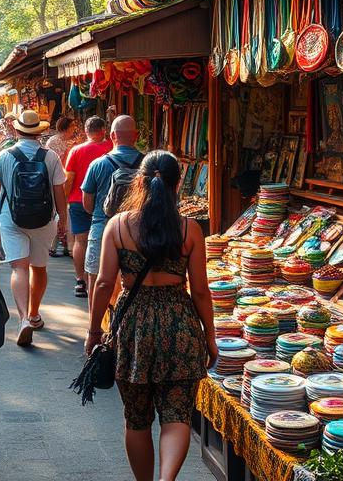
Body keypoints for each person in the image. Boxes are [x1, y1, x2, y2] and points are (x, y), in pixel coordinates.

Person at [86, 151, 216, 481]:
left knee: (136, 418)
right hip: (179, 327)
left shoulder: (118, 226)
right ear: (178, 185)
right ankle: (167, 478)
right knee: (176, 415)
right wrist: (211, 337)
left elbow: (103, 282)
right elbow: (200, 291)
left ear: (139, 182)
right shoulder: (190, 230)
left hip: (133, 329)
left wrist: (93, 331)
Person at [0, 109, 67, 346]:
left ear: (18, 130)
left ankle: (22, 319)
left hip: (11, 219)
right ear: (39, 132)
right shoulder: (51, 156)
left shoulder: (4, 156)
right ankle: (34, 314)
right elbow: (59, 192)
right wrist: (63, 219)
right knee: (39, 268)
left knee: (19, 269)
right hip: (43, 220)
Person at [82, 115, 142, 309]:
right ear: (137, 136)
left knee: (97, 280)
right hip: (139, 231)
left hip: (102, 226)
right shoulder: (147, 165)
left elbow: (87, 204)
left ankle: (95, 329)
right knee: (137, 282)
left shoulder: (97, 165)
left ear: (112, 136)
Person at [64, 116, 112, 298]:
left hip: (78, 200)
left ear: (86, 131)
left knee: (81, 241)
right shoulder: (110, 148)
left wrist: (66, 198)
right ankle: (104, 278)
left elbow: (68, 179)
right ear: (103, 131)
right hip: (106, 202)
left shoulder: (76, 150)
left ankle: (80, 281)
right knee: (107, 240)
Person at [46, 116, 81, 258]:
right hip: (59, 180)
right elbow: (59, 162)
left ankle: (62, 245)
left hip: (68, 180)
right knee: (61, 212)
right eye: (72, 126)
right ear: (66, 127)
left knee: (63, 212)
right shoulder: (54, 142)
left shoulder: (72, 142)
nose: (74, 129)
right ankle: (58, 245)